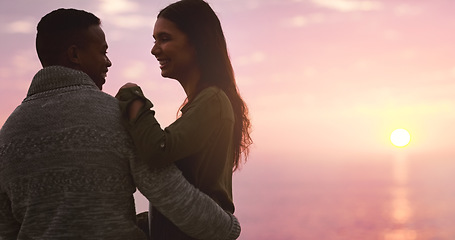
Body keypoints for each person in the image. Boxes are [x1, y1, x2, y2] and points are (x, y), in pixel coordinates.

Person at [0, 8, 240, 240]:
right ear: (75, 55)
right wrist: (228, 227)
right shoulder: (116, 117)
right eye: (103, 52)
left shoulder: (7, 134)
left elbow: (6, 230)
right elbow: (171, 195)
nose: (109, 62)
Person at [116, 0, 253, 239]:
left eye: (165, 38)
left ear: (198, 43)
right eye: (154, 39)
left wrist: (132, 96)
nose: (154, 49)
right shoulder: (204, 102)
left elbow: (158, 150)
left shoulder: (213, 100)